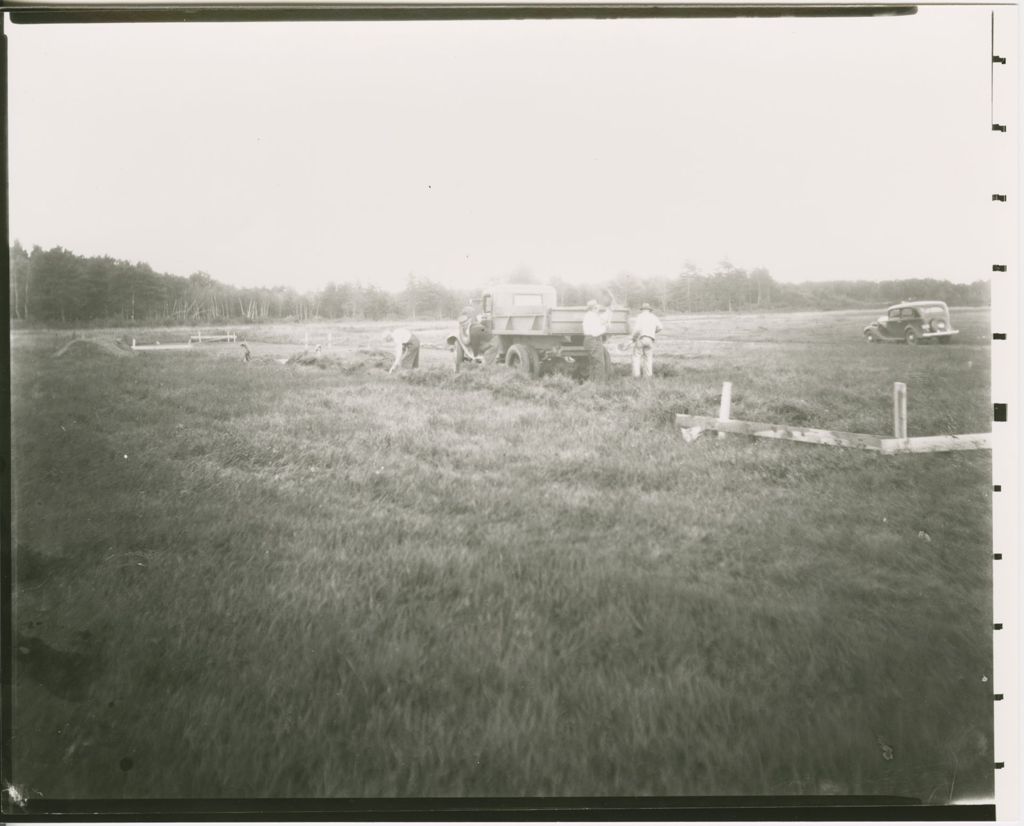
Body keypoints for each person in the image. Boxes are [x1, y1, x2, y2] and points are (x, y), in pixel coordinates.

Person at [630, 302, 663, 379]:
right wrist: (652, 332)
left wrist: (633, 338)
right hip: (650, 339)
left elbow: (637, 330)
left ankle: (636, 376)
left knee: (636, 357)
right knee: (648, 358)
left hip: (641, 338)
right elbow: (660, 327)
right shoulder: (654, 317)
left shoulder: (640, 317)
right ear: (649, 310)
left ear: (642, 310)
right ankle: (648, 376)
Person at [582, 299, 611, 381]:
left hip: (589, 340)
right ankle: (599, 385)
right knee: (599, 363)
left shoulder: (589, 315)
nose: (598, 308)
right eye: (596, 306)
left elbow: (599, 323)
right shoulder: (592, 317)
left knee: (593, 363)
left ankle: (592, 382)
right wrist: (606, 328)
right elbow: (596, 332)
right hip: (594, 340)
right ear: (594, 308)